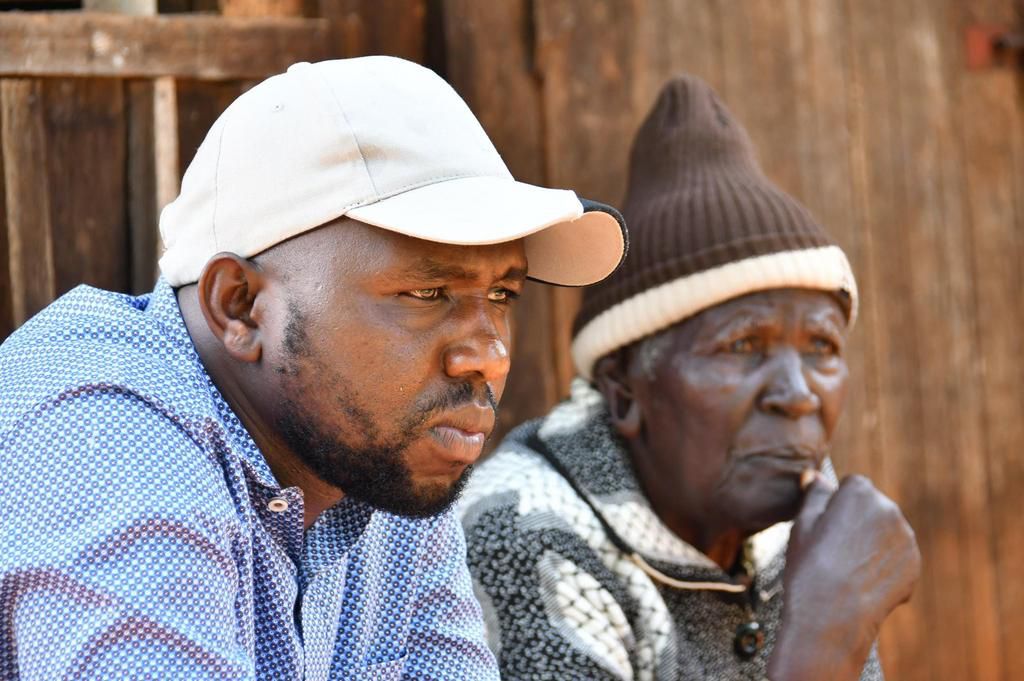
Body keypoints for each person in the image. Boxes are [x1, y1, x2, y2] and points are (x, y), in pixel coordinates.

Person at [0, 56, 627, 679]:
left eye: (501, 296)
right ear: (239, 306)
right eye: (427, 295)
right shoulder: (102, 439)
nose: (488, 355)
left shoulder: (383, 455)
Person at [459, 75, 920, 680]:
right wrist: (827, 636)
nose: (798, 394)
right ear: (624, 392)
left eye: (822, 347)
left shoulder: (800, 519)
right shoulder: (523, 530)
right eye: (744, 345)